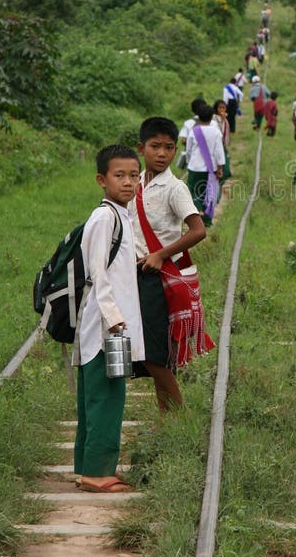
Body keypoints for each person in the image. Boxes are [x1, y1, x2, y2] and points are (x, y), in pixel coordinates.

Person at [74, 144, 145, 493]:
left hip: (109, 324)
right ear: (102, 180)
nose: (128, 182)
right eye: (119, 175)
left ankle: (86, 468)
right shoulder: (105, 218)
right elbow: (97, 274)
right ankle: (98, 474)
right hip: (106, 326)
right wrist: (114, 318)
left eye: (134, 175)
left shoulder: (121, 216)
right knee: (107, 397)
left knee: (96, 397)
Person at [129, 117, 208, 417]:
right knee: (151, 349)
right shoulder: (134, 183)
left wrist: (161, 254)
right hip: (135, 275)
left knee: (153, 353)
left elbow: (198, 230)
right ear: (141, 148)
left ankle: (178, 415)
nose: (162, 153)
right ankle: (166, 416)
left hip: (158, 277)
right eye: (155, 146)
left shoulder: (174, 188)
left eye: (169, 147)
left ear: (176, 150)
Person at [185, 103, 226, 225]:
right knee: (209, 192)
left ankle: (198, 210)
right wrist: (220, 167)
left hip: (194, 167)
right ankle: (207, 220)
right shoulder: (216, 132)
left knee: (193, 190)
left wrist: (188, 161)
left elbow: (188, 150)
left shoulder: (194, 131)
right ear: (212, 116)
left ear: (198, 117)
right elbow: (219, 151)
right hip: (211, 168)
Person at [177, 98, 207, 169]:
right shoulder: (211, 123)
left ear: (192, 110)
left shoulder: (188, 123)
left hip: (192, 156)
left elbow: (183, 140)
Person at [213, 99, 232, 182]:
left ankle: (222, 178)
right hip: (216, 144)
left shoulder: (225, 119)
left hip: (223, 145)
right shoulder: (214, 118)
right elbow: (218, 131)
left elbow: (226, 132)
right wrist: (222, 120)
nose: (221, 110)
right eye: (220, 108)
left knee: (224, 163)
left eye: (223, 108)